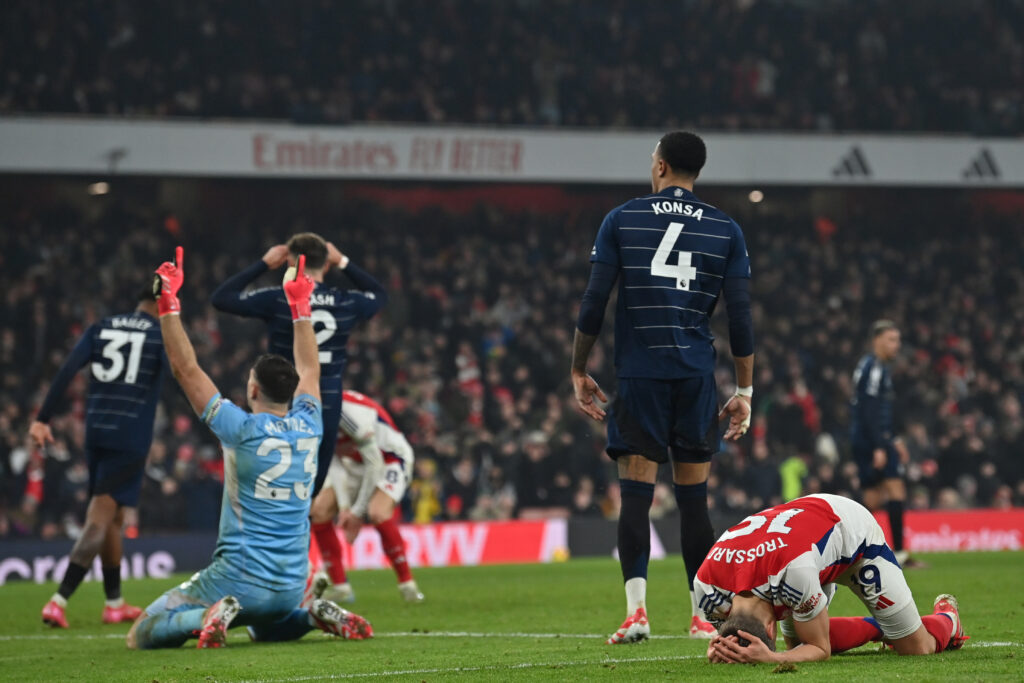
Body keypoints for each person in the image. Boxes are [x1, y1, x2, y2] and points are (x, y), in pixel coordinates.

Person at [126, 247, 372, 649]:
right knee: (264, 628)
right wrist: (300, 305)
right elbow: (311, 368)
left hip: (237, 580)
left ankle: (205, 615)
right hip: (292, 584)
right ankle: (310, 614)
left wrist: (167, 302)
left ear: (253, 389)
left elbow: (186, 370)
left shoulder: (239, 428)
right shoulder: (310, 423)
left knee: (141, 632)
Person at [570, 131, 755, 643]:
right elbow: (740, 318)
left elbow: (594, 301)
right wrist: (745, 391)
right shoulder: (725, 228)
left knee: (636, 495)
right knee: (694, 500)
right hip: (695, 375)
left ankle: (637, 614)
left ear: (660, 166)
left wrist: (578, 369)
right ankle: (701, 617)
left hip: (640, 373)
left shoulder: (622, 218)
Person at [211, 233, 387, 497]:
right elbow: (380, 295)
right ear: (326, 264)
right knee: (310, 489)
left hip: (281, 400)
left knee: (270, 485)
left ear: (290, 263)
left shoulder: (278, 298)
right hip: (326, 400)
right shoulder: (346, 301)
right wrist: (344, 262)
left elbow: (222, 297)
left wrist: (263, 264)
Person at [695, 493, 967, 664]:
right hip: (803, 537)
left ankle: (948, 619)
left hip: (853, 533)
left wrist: (772, 658)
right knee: (798, 644)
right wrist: (723, 648)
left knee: (917, 648)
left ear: (770, 630)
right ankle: (884, 626)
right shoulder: (705, 584)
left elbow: (819, 648)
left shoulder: (792, 575)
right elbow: (736, 632)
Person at [34, 286, 167, 628]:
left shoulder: (101, 326)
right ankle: (58, 601)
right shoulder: (160, 334)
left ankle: (114, 603)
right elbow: (181, 377)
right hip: (130, 437)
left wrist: (43, 418)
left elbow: (67, 370)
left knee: (114, 517)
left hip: (96, 433)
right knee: (99, 517)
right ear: (161, 304)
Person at [309, 389, 423, 604]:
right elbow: (332, 461)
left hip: (389, 458)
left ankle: (407, 584)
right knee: (319, 511)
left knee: (377, 512)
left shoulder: (350, 413)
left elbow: (374, 464)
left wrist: (358, 512)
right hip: (355, 464)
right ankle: (341, 587)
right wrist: (344, 507)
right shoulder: (315, 412)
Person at [851, 320, 919, 566]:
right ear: (876, 340)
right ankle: (899, 553)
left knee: (872, 499)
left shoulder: (873, 366)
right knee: (895, 489)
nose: (896, 345)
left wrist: (895, 439)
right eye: (891, 340)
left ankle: (848, 551)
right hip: (872, 440)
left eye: (897, 340)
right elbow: (869, 409)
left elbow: (879, 411)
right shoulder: (873, 368)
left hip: (868, 438)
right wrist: (880, 445)